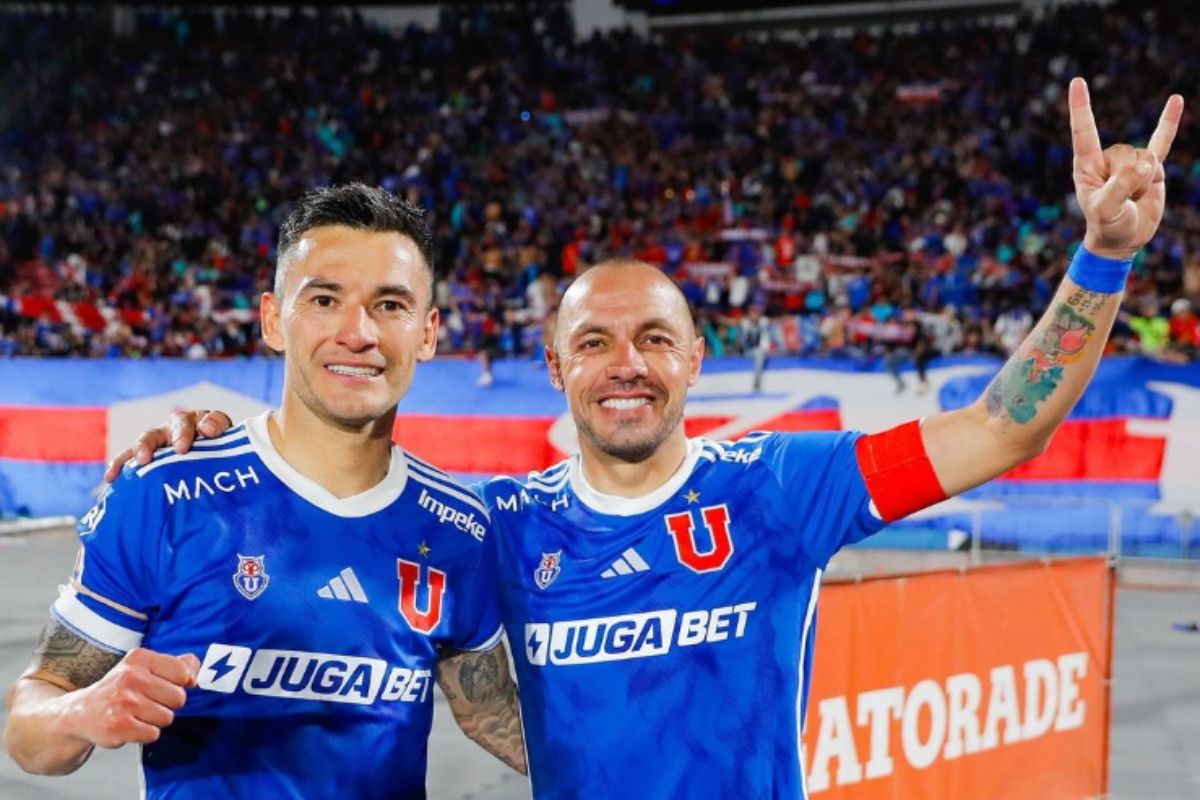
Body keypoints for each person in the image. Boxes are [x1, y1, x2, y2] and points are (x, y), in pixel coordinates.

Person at [103, 79, 1181, 798]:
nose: (626, 362)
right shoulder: (495, 524)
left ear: (697, 356)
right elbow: (345, 503)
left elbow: (1002, 425)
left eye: (655, 338)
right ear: (556, 366)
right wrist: (217, 450)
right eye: (595, 342)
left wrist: (1103, 254)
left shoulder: (783, 486)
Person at [3, 184, 525, 798]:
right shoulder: (164, 496)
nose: (358, 332)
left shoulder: (459, 529)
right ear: (274, 319)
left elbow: (494, 715)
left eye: (390, 305)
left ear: (428, 333)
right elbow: (29, 729)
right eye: (325, 299)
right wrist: (80, 712)